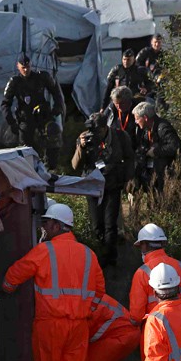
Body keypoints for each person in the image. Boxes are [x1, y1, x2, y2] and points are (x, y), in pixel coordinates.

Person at [2, 203, 105, 361]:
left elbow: (15, 274)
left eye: (47, 223)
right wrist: (86, 311)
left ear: (57, 226)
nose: (45, 228)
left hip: (49, 325)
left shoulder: (44, 251)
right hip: (79, 326)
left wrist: (7, 289)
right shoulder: (88, 254)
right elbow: (99, 291)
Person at [71, 112, 134, 266]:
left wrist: (128, 180)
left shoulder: (119, 136)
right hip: (92, 186)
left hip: (112, 184)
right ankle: (98, 256)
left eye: (98, 130)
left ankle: (111, 259)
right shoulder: (85, 138)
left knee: (110, 224)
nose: (94, 134)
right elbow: (74, 165)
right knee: (96, 224)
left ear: (105, 127)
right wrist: (81, 147)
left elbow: (130, 158)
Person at [1, 53, 66, 169]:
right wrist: (11, 122)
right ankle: (28, 169)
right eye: (23, 67)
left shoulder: (41, 77)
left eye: (28, 67)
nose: (26, 70)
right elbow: (5, 104)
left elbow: (56, 92)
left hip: (43, 115)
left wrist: (57, 108)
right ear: (18, 67)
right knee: (25, 146)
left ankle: (51, 167)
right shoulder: (15, 82)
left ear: (31, 65)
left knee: (53, 131)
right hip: (26, 117)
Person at [129, 223, 181, 324]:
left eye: (140, 246)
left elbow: (137, 315)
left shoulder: (141, 273)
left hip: (156, 327)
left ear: (145, 245)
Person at [132, 101, 181, 192]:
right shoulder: (147, 129)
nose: (136, 122)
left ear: (145, 118)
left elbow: (175, 147)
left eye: (137, 119)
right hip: (156, 174)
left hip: (171, 174)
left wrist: (155, 151)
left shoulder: (163, 127)